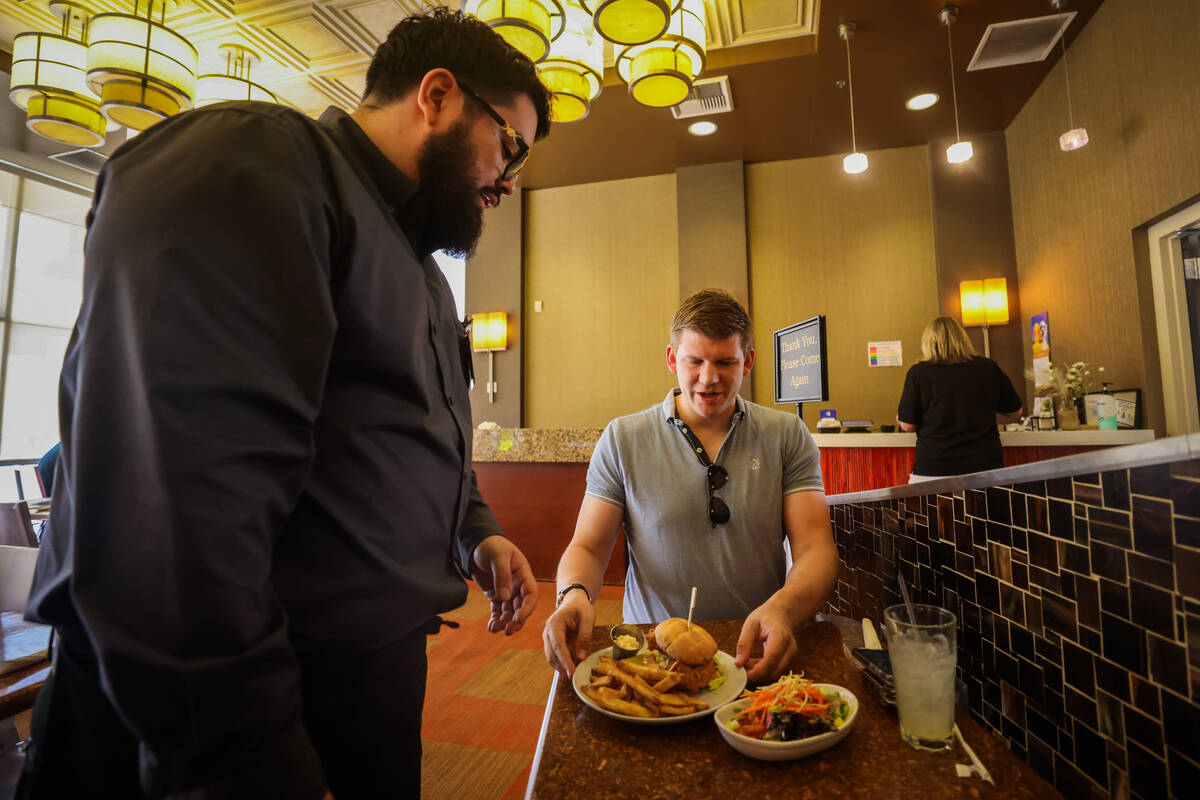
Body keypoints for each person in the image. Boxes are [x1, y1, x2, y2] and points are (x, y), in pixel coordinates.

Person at [18, 9, 550, 799]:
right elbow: (171, 537)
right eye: (508, 145)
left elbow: (412, 435)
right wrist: (253, 761)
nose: (507, 181)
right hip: (240, 699)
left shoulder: (427, 275)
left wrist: (476, 532)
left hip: (374, 669)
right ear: (436, 96)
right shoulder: (253, 160)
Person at [542, 289, 839, 684]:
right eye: (694, 361)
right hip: (652, 653)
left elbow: (816, 548)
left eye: (725, 362)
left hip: (753, 648)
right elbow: (589, 547)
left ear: (748, 361)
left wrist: (784, 609)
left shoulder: (786, 435)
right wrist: (573, 594)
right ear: (671, 359)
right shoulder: (623, 438)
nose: (708, 377)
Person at [897, 316, 1024, 482]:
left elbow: (908, 425)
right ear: (963, 339)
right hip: (985, 466)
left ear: (928, 343)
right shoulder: (987, 367)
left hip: (935, 468)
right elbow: (1015, 411)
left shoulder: (918, 373)